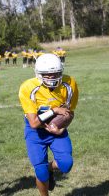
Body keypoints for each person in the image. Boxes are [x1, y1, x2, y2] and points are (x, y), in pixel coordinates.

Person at [18, 53, 78, 196]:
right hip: (36, 132)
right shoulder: (28, 87)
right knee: (41, 172)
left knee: (66, 164)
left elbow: (69, 113)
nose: (51, 77)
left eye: (55, 73)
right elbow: (33, 123)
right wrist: (54, 110)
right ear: (38, 74)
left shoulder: (69, 84)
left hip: (56, 131)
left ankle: (50, 168)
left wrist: (63, 127)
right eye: (47, 74)